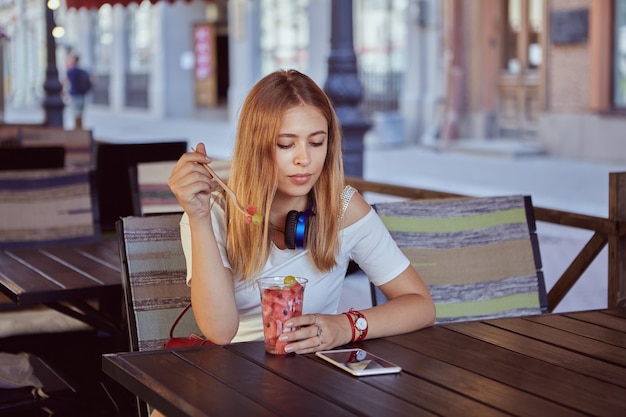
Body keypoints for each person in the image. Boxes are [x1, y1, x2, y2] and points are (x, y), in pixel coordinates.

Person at [168, 69, 435, 354]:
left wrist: (347, 326)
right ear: (255, 148)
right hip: (236, 375)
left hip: (316, 377)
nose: (304, 159)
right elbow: (220, 332)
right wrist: (198, 219)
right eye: (286, 144)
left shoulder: (344, 208)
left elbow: (421, 305)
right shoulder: (212, 212)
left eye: (316, 142)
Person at [65, 54, 91, 130]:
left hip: (74, 95)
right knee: (80, 114)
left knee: (75, 114)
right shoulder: (82, 71)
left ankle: (77, 130)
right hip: (82, 95)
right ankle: (80, 129)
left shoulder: (71, 71)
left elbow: (64, 80)